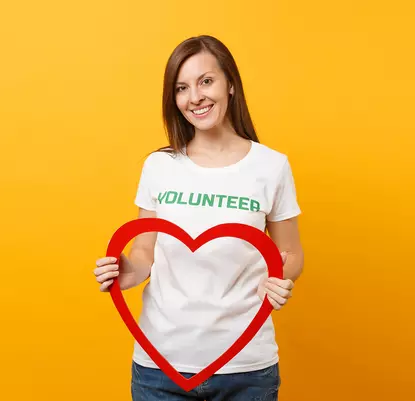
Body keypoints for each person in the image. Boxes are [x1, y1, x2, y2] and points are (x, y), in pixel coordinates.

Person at [91, 35, 305, 401]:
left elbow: (292, 255)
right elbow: (146, 247)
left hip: (246, 367)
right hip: (159, 366)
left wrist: (279, 279)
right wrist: (132, 268)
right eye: (182, 88)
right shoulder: (159, 166)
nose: (195, 97)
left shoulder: (271, 166)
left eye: (206, 81)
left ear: (230, 84)